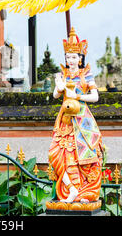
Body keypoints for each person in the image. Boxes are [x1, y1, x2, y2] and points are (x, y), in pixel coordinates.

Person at [48, 27, 104, 203]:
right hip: (64, 119)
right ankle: (71, 188)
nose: (70, 60)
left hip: (82, 119)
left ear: (80, 58)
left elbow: (95, 97)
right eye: (67, 57)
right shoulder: (62, 74)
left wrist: (77, 96)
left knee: (81, 156)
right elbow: (55, 96)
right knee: (56, 153)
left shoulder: (85, 74)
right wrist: (59, 87)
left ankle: (82, 191)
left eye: (73, 57)